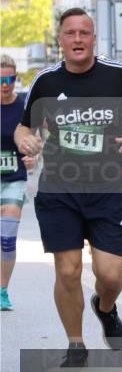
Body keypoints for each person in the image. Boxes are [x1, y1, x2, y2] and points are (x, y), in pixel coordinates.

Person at [14, 9, 122, 366]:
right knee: (69, 270)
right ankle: (76, 343)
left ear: (93, 38)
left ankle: (105, 307)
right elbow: (24, 128)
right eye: (70, 33)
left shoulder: (119, 76)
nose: (77, 39)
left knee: (109, 274)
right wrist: (26, 141)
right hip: (59, 190)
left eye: (84, 33)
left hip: (107, 189)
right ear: (60, 39)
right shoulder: (45, 81)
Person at [1, 54, 37, 311]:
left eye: (10, 78)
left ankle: (2, 290)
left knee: (7, 236)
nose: (5, 84)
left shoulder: (24, 107)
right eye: (1, 79)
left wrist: (34, 156)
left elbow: (36, 140)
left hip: (14, 179)